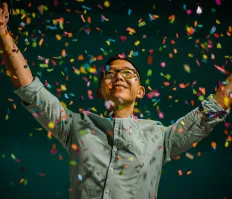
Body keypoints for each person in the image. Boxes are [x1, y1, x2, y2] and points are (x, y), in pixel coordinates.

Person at [1, 2, 231, 199]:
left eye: (128, 73)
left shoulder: (162, 137)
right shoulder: (74, 125)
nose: (119, 76)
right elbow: (30, 89)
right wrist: (3, 34)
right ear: (101, 91)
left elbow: (209, 112)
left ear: (140, 91)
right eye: (110, 73)